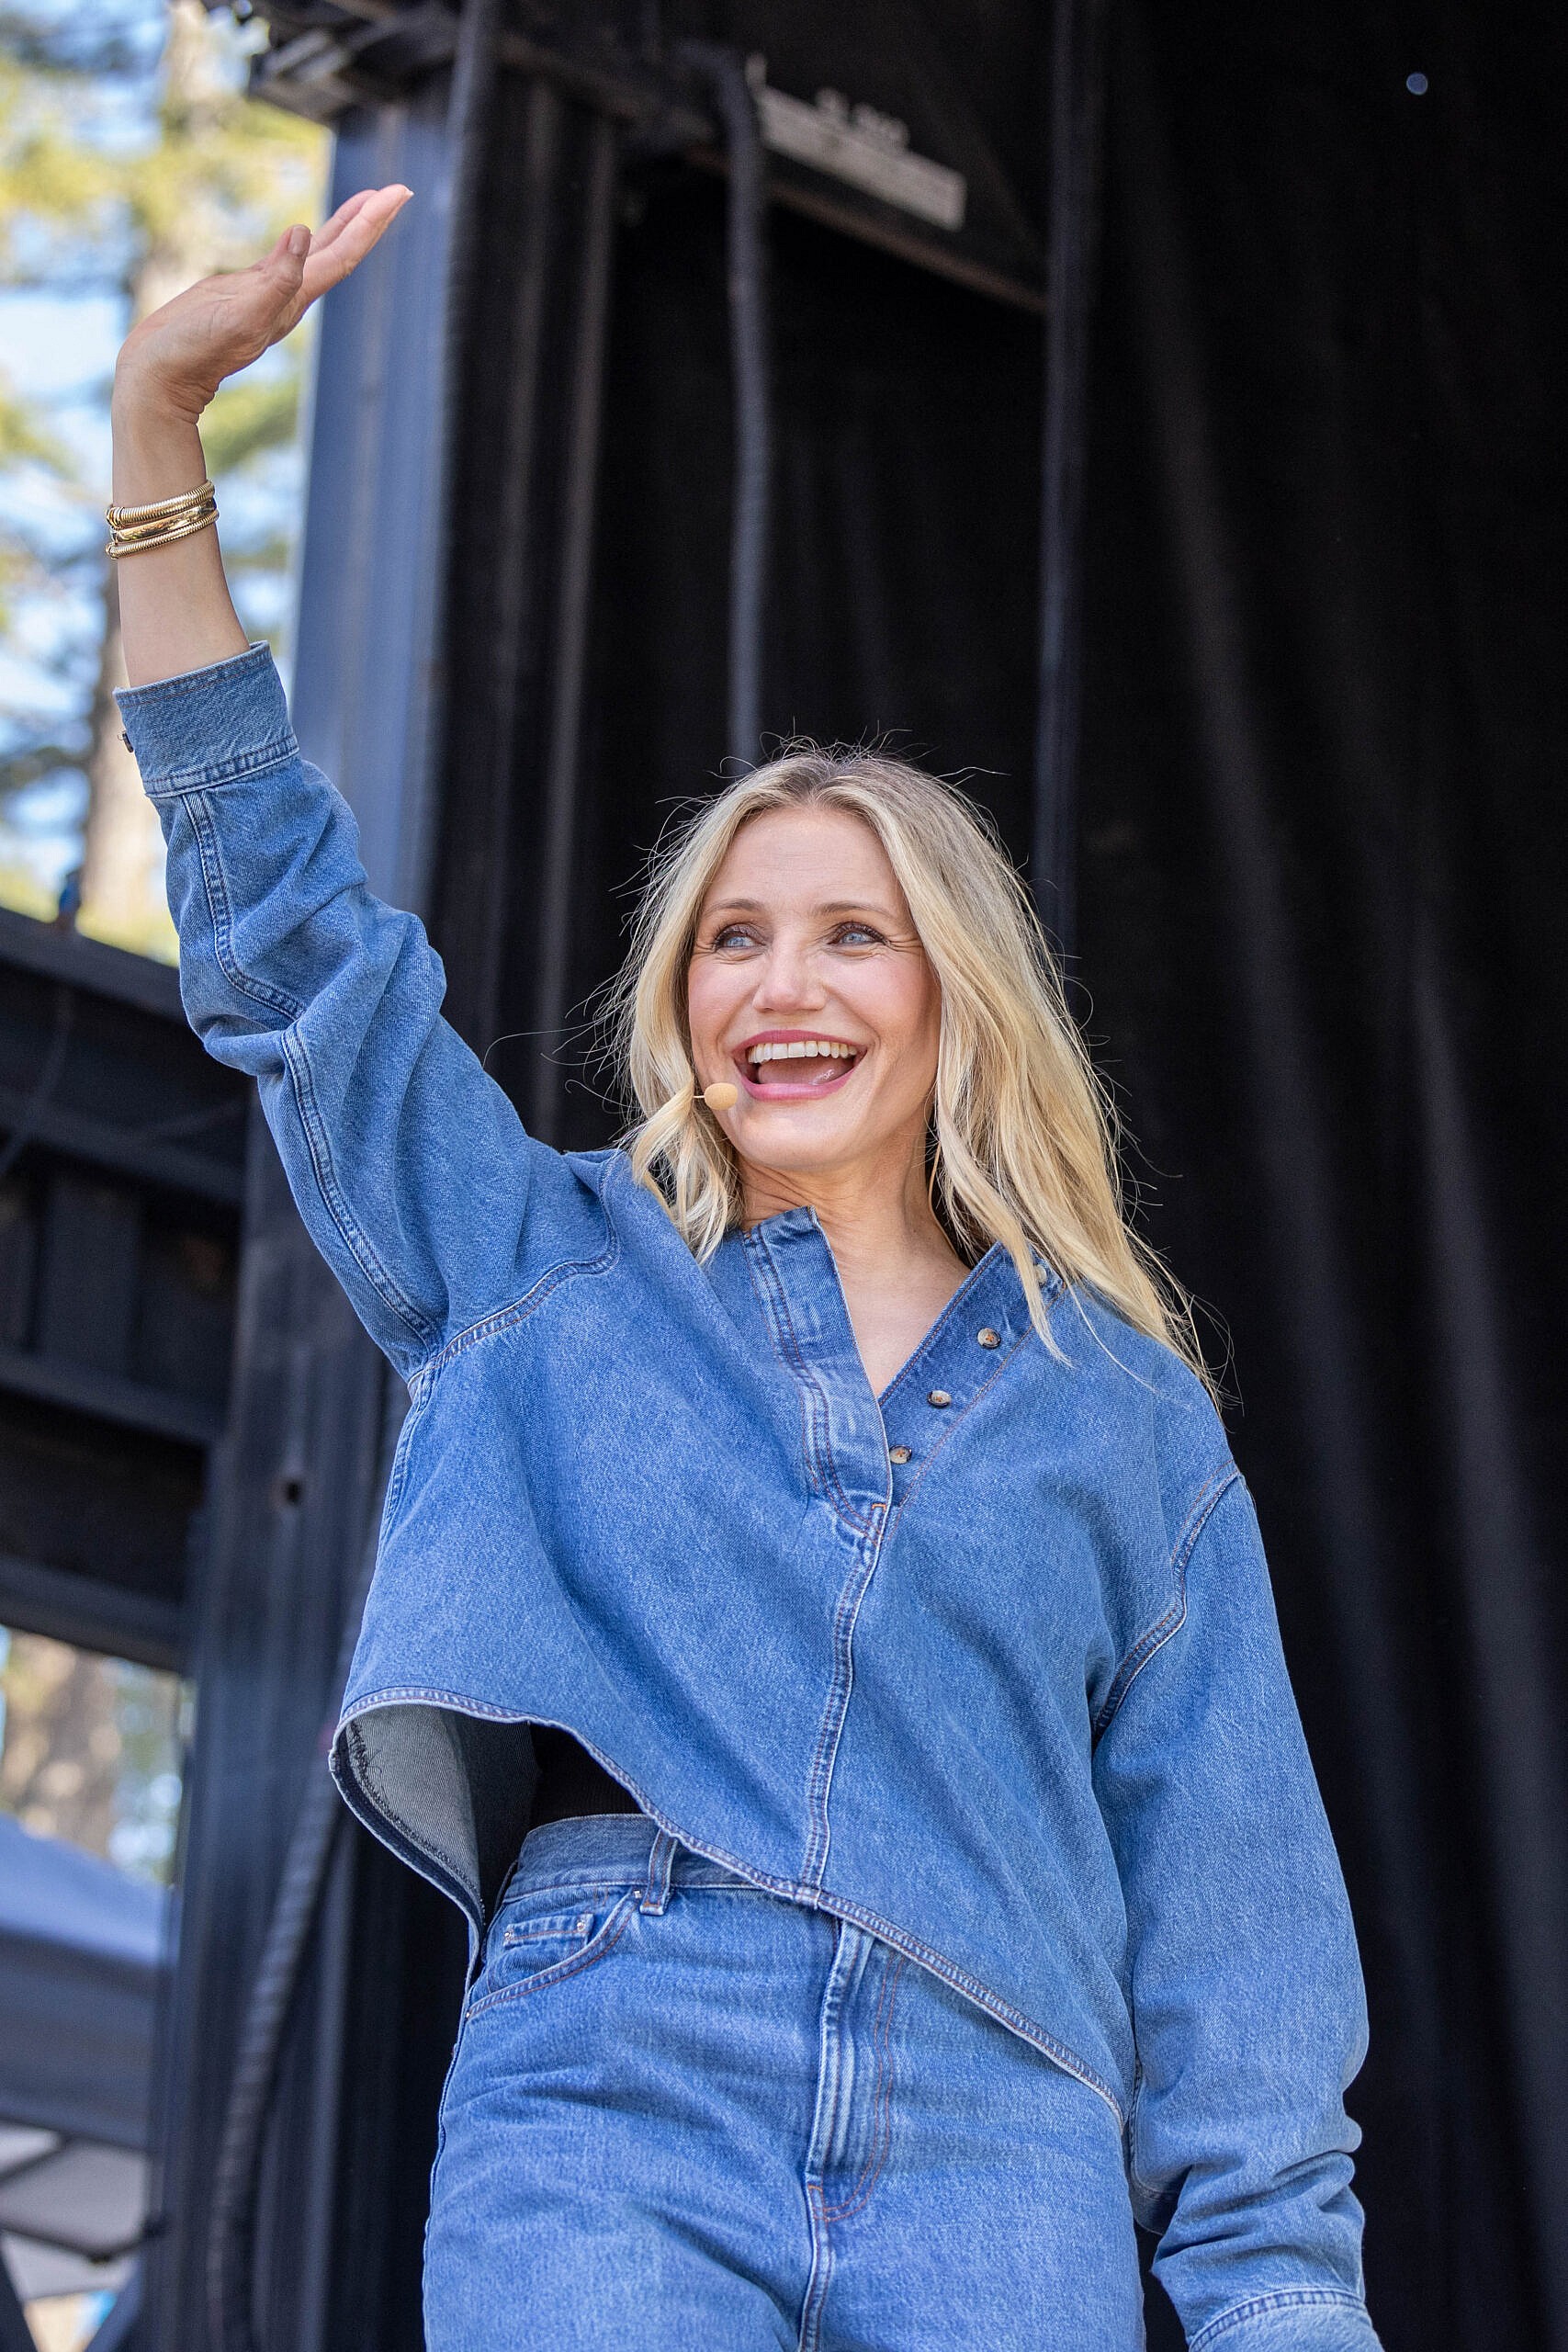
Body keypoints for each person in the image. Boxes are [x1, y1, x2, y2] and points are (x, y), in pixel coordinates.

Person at [110, 187, 1382, 2352]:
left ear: (955, 996)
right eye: (731, 933)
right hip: (619, 2075)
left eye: (849, 931)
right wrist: (153, 428)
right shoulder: (540, 1262)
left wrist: (1284, 2313)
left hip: (1009, 2133)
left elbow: (1239, 1976)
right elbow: (292, 945)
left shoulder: (1119, 1415)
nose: (778, 985)